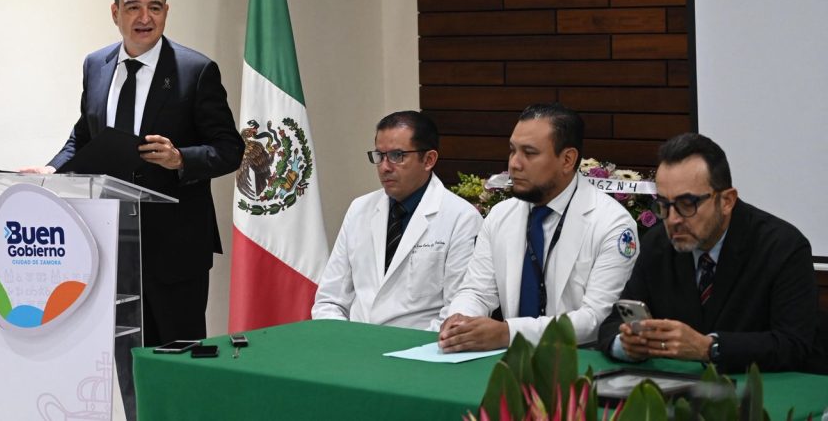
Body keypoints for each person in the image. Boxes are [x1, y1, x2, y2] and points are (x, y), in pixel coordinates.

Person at [22, 0, 244, 345]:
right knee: (125, 356)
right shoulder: (96, 65)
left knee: (176, 360)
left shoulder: (195, 70)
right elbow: (85, 133)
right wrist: (53, 168)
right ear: (115, 12)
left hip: (174, 250)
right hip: (110, 244)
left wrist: (181, 159)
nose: (145, 18)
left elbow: (230, 149)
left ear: (166, 12)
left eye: (155, 7)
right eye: (133, 7)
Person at [598, 133, 823, 373]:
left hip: (760, 390)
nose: (673, 219)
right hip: (675, 387)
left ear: (727, 201)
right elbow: (613, 324)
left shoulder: (782, 247)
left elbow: (793, 344)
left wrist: (710, 348)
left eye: (687, 204)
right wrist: (627, 344)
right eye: (663, 205)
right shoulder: (658, 243)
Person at [438, 103, 638, 352]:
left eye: (529, 153)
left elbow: (597, 319)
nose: (514, 164)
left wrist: (508, 333)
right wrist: (460, 319)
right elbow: (477, 291)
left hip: (579, 361)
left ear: (567, 160)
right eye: (512, 150)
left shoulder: (612, 224)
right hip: (511, 360)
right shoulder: (500, 215)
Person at [311, 111, 482, 330]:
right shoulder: (359, 209)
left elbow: (459, 310)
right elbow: (330, 300)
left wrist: (413, 346)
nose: (384, 167)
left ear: (428, 160)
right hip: (354, 343)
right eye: (379, 156)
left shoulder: (461, 218)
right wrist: (344, 341)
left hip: (421, 345)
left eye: (396, 155)